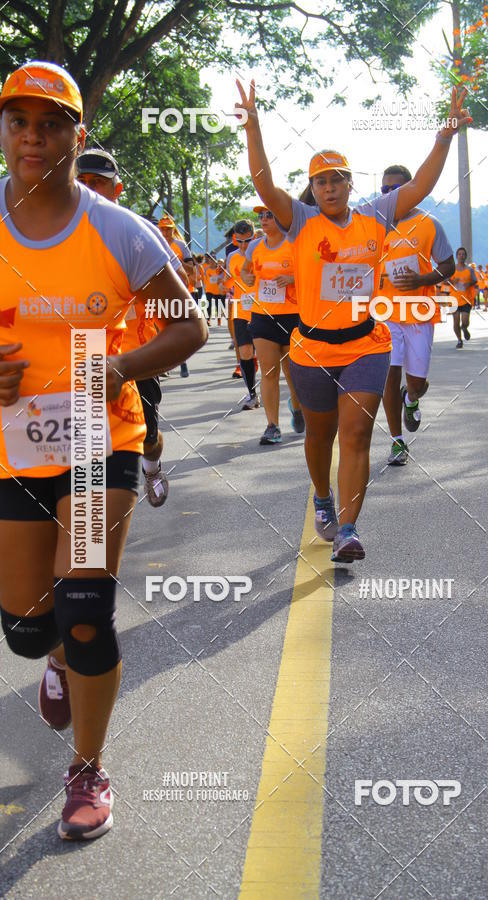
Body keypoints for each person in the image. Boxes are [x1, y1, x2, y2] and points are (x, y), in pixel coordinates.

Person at [0, 61, 207, 840]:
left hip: (98, 440)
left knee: (85, 607)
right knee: (28, 625)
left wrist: (121, 366)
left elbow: (189, 327)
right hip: (12, 448)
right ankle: (52, 656)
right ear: (3, 130)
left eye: (51, 123)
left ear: (76, 134)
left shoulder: (119, 231)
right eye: (19, 121)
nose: (33, 136)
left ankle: (88, 768)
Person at [235, 78, 470, 562]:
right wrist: (253, 127)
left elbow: (421, 186)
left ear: (349, 183)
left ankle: (347, 529)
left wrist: (445, 135)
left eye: (337, 179)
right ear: (313, 188)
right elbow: (264, 184)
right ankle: (322, 497)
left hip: (366, 344)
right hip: (312, 348)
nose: (329, 188)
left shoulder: (374, 216)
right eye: (321, 181)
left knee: (357, 435)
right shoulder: (300, 220)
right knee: (320, 436)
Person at [76, 148, 188, 508]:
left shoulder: (138, 232)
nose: (88, 188)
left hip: (135, 357)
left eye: (97, 182)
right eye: (82, 181)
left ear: (117, 188)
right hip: (78, 357)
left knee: (148, 439)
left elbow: (180, 294)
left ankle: (151, 467)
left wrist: (146, 303)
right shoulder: (55, 232)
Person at [377, 165, 454, 465]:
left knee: (417, 382)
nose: (389, 194)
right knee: (389, 372)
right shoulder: (376, 225)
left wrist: (421, 280)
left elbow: (447, 265)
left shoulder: (429, 224)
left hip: (419, 312)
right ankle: (397, 441)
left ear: (411, 189)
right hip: (386, 312)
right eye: (384, 189)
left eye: (395, 188)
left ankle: (411, 398)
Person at [242, 205, 304, 444]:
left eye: (270, 214)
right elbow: (245, 271)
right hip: (263, 315)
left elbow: (314, 272)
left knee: (292, 371)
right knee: (269, 371)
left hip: (293, 316)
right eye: (261, 215)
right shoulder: (255, 246)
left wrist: (292, 279)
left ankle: (297, 407)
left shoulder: (295, 242)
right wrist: (247, 277)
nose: (264, 219)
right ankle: (272, 426)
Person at [225, 220, 260, 407]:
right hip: (241, 309)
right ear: (234, 239)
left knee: (265, 355)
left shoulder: (262, 252)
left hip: (263, 310)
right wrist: (224, 286)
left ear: (254, 237)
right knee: (245, 352)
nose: (244, 246)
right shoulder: (231, 257)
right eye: (239, 241)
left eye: (248, 241)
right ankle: (252, 394)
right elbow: (229, 280)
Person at [158, 214, 195, 377]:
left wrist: (175, 262)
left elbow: (191, 269)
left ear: (173, 230)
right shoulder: (155, 243)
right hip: (160, 292)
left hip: (178, 292)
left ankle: (182, 362)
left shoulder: (180, 245)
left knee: (177, 328)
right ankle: (163, 365)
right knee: (161, 329)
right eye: (162, 229)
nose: (165, 233)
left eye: (168, 229)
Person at [449, 247, 478, 349]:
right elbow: (445, 281)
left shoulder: (470, 269)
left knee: (465, 321)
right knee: (456, 321)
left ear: (465, 256)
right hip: (454, 299)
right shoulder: (452, 269)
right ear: (456, 256)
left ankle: (464, 328)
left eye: (463, 254)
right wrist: (452, 281)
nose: (461, 256)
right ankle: (459, 340)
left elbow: (475, 280)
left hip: (466, 298)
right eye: (459, 254)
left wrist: (469, 283)